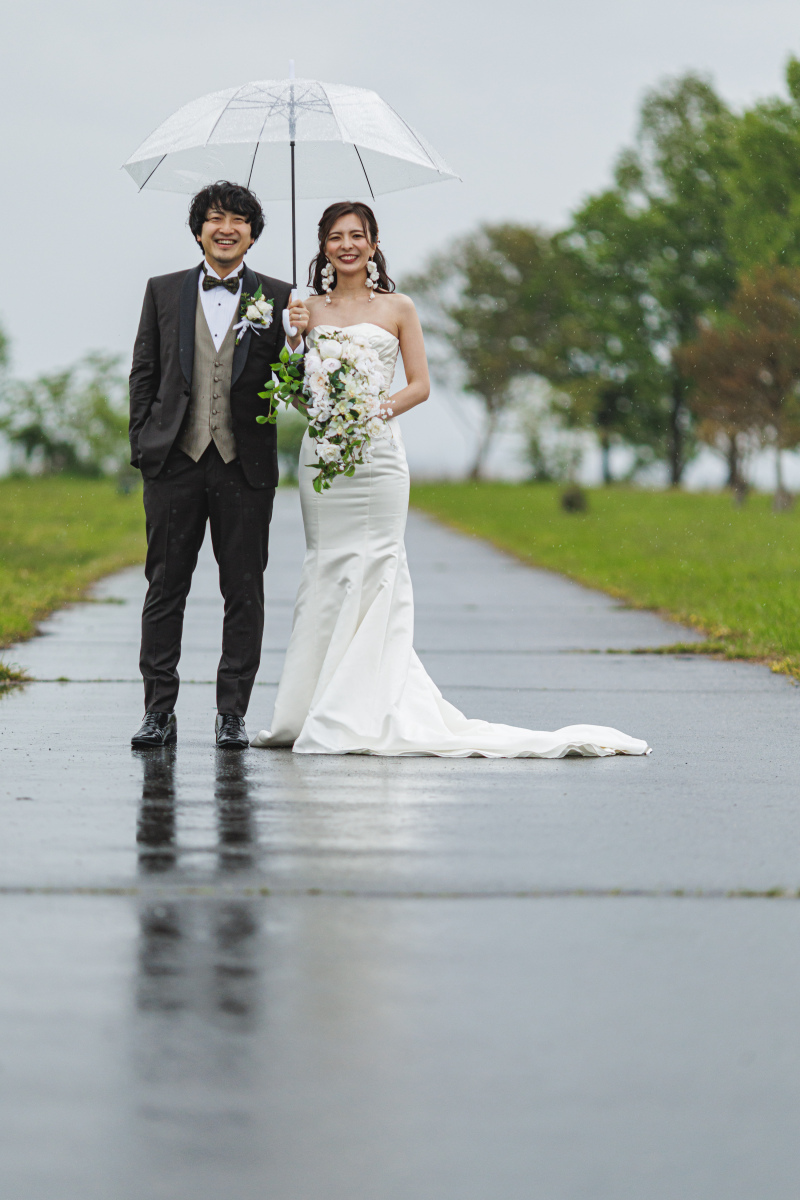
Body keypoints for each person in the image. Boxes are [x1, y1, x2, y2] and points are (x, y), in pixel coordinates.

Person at [250, 202, 649, 758]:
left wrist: (371, 412)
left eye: (356, 236)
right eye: (336, 237)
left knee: (379, 567)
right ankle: (310, 705)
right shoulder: (303, 307)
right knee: (326, 568)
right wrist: (294, 343)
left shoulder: (399, 307)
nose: (346, 246)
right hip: (322, 457)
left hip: (379, 454)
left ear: (373, 243)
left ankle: (367, 702)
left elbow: (419, 386)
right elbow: (293, 392)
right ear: (322, 246)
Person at [128, 181, 307, 749]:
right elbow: (144, 373)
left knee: (244, 591)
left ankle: (232, 712)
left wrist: (299, 338)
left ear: (253, 233)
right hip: (173, 464)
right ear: (199, 229)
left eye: (237, 219)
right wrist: (144, 447)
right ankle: (159, 710)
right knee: (165, 588)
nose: (225, 228)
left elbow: (299, 383)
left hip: (244, 464)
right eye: (214, 218)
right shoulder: (163, 291)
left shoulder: (281, 296)